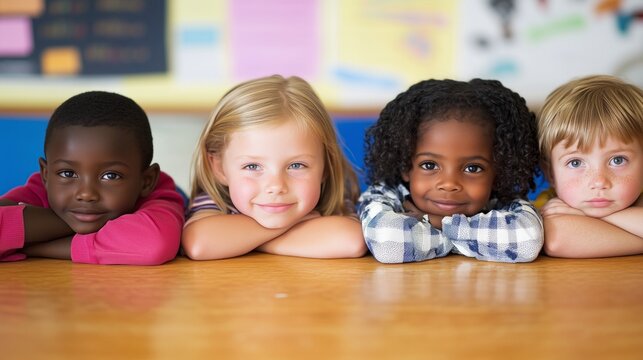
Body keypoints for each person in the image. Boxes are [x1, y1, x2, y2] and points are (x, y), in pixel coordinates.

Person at [358, 78, 543, 263]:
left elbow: (527, 241)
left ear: (499, 171)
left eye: (473, 168)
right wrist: (477, 243)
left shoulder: (502, 201)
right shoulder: (384, 194)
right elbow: (389, 245)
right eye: (429, 165)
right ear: (405, 165)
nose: (449, 184)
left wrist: (431, 221)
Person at [182, 75, 366, 260]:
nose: (276, 186)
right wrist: (288, 227)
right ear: (220, 168)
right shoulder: (216, 201)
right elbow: (199, 243)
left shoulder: (330, 200)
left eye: (296, 165)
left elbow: (351, 241)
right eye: (253, 166)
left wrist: (245, 242)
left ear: (326, 167)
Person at [0, 91, 184, 265]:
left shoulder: (159, 193)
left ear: (146, 181)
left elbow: (153, 244)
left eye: (111, 176)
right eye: (67, 173)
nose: (86, 194)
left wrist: (31, 243)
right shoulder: (39, 189)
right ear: (46, 174)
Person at [537, 75, 643, 258]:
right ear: (551, 174)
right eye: (575, 162)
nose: (599, 182)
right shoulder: (552, 206)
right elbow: (558, 240)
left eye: (618, 160)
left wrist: (589, 216)